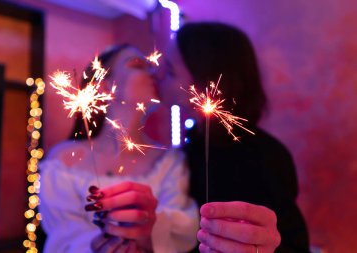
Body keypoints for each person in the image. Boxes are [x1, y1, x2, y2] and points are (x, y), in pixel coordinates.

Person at [158, 22, 310, 253]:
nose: (158, 78)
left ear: (204, 82)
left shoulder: (265, 157)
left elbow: (293, 245)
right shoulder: (190, 146)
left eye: (170, 71)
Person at [39, 44, 199, 253]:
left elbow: (181, 232)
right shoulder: (63, 160)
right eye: (138, 65)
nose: (153, 73)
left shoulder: (170, 162)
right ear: (105, 86)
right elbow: (63, 235)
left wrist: (145, 238)